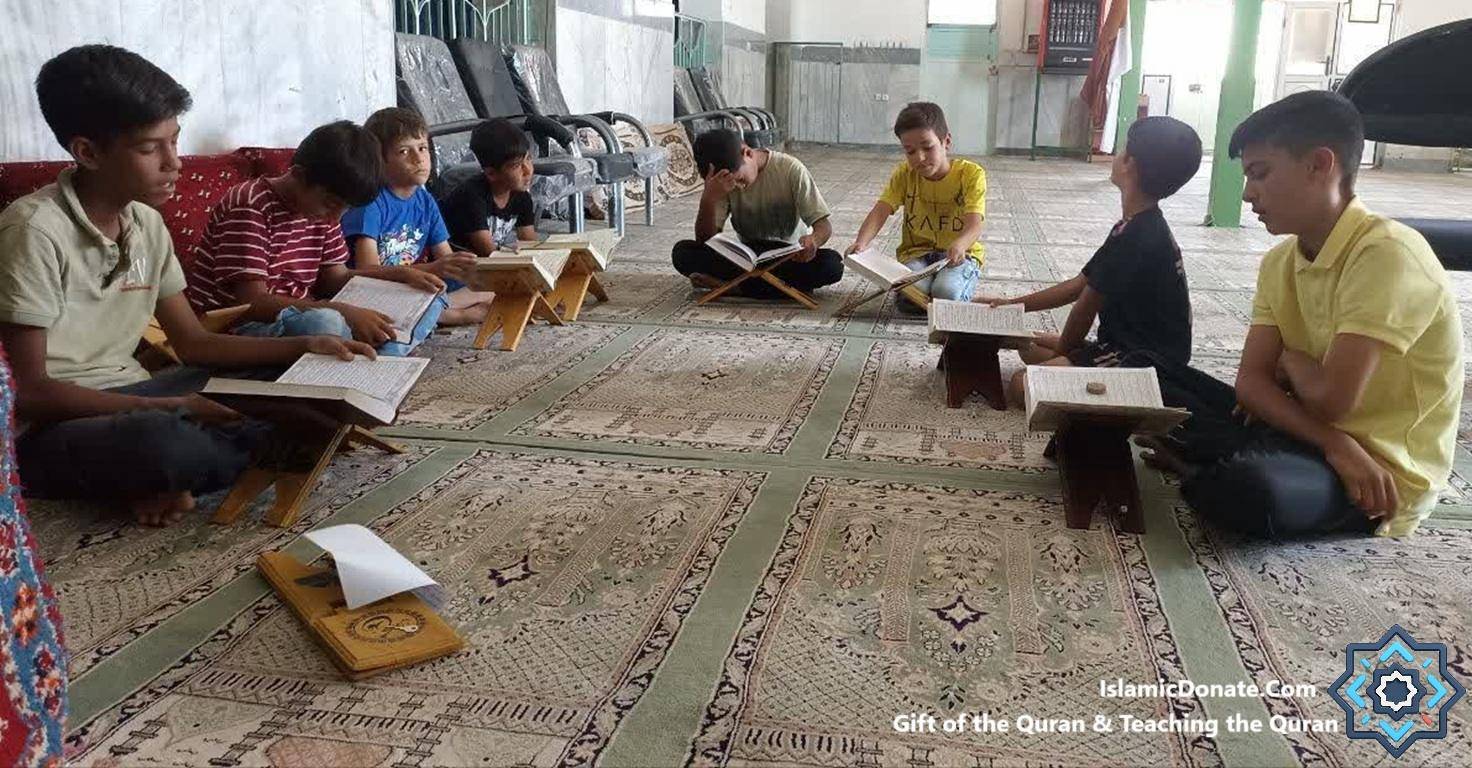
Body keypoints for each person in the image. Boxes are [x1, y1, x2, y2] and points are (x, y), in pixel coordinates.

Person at [0, 45, 373, 526]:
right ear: (88, 152)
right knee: (163, 443)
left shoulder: (147, 226)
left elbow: (194, 344)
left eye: (174, 141)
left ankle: (185, 468)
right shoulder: (33, 231)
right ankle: (209, 458)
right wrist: (174, 406)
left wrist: (306, 344)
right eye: (149, 148)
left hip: (140, 391)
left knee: (296, 374)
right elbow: (29, 393)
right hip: (52, 426)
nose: (173, 162)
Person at [1137, 91, 1463, 539]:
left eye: (1260, 173)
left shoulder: (1387, 254)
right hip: (1314, 437)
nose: (1249, 192)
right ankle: (1206, 458)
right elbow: (1250, 384)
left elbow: (1332, 401)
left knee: (1249, 492)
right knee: (1145, 372)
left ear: (1319, 165)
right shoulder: (1280, 262)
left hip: (1374, 474)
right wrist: (1332, 439)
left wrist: (1289, 364)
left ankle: (1201, 461)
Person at [977, 116, 1202, 404]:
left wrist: (1064, 358)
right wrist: (1011, 307)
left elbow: (1083, 308)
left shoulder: (1136, 237)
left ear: (1129, 163)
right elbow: (1078, 284)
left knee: (1022, 386)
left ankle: (1131, 397)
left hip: (1141, 362)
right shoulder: (1140, 225)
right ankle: (1082, 369)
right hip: (1134, 348)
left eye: (1121, 150)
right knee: (1028, 345)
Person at [186, 121, 441, 355]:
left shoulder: (324, 212)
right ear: (298, 176)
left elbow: (336, 278)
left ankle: (376, 358)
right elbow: (251, 303)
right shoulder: (250, 206)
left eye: (346, 209)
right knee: (325, 322)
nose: (335, 218)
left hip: (300, 313)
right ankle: (376, 357)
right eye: (331, 204)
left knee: (423, 298)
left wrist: (401, 276)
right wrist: (343, 311)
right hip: (241, 329)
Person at [341, 107, 492, 337]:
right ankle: (450, 315)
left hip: (417, 286)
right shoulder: (370, 203)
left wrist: (482, 272)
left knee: (493, 288)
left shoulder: (425, 200)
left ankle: (434, 311)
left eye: (422, 148)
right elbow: (366, 271)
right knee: (398, 303)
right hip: (378, 290)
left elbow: (446, 259)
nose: (418, 158)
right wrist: (431, 270)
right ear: (379, 160)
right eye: (404, 151)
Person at [670, 128, 843, 299]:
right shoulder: (723, 182)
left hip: (788, 256)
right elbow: (706, 241)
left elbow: (823, 226)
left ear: (748, 153)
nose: (737, 186)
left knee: (832, 264)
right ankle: (778, 288)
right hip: (746, 256)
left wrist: (813, 241)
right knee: (683, 252)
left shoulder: (790, 169)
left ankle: (736, 287)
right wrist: (708, 199)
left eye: (739, 179)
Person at [848, 102, 986, 306]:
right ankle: (935, 296)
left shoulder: (971, 174)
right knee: (907, 299)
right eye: (910, 151)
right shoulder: (904, 174)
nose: (919, 158)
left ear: (946, 141)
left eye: (928, 147)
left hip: (956, 256)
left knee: (946, 293)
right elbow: (880, 211)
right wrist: (861, 242)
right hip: (917, 255)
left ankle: (949, 292)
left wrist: (961, 243)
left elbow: (975, 224)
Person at [441, 118, 539, 255]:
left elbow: (531, 245)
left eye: (528, 158)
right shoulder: (470, 197)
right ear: (491, 173)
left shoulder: (521, 196)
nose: (528, 170)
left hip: (486, 263)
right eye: (517, 165)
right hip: (462, 266)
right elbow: (488, 253)